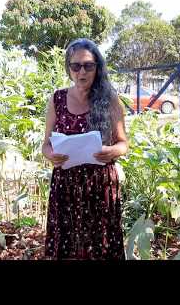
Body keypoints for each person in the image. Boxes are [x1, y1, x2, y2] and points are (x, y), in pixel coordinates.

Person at [42, 38, 128, 260]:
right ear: (69, 68)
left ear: (97, 68)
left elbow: (123, 143)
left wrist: (112, 151)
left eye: (88, 65)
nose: (82, 71)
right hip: (65, 187)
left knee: (100, 244)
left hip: (100, 187)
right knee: (67, 243)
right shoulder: (57, 99)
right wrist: (51, 155)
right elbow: (46, 144)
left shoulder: (109, 99)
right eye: (76, 66)